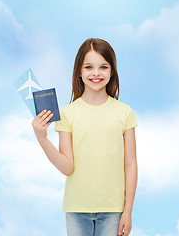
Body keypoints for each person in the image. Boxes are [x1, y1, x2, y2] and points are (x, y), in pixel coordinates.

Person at [32, 38, 138, 236]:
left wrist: (128, 210)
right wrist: (42, 138)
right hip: (76, 208)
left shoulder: (125, 113)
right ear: (79, 72)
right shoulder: (67, 114)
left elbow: (130, 164)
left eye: (103, 67)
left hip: (114, 209)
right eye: (88, 67)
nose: (96, 73)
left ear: (112, 71)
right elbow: (67, 167)